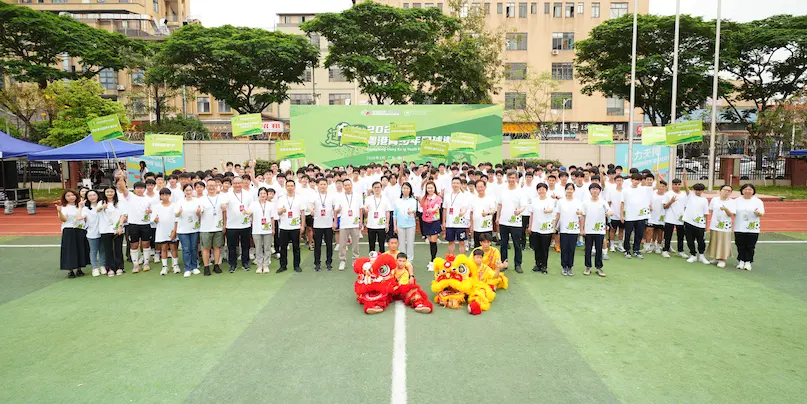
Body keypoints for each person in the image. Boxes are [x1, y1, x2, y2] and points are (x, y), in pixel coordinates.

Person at [497, 170, 528, 273]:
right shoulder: (502, 190)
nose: (511, 180)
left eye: (513, 178)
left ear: (516, 179)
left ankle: (518, 264)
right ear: (507, 178)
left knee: (517, 244)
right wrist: (498, 217)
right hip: (503, 222)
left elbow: (523, 205)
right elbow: (499, 204)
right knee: (503, 244)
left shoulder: (521, 191)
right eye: (509, 178)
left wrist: (519, 210)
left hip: (516, 223)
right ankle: (504, 263)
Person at [119, 181, 153, 273]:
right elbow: (123, 188)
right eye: (137, 188)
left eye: (141, 188)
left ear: (144, 189)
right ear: (134, 189)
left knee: (146, 244)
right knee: (134, 245)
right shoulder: (130, 196)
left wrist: (150, 211)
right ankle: (136, 265)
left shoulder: (148, 199)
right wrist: (121, 177)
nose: (139, 190)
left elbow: (152, 211)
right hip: (133, 224)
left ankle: (146, 263)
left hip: (145, 224)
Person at [57, 189, 89, 278]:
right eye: (68, 196)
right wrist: (59, 211)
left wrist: (80, 207)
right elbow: (64, 220)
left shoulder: (82, 206)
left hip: (80, 229)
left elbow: (83, 217)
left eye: (73, 195)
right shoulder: (63, 208)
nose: (71, 197)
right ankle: (70, 270)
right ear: (64, 198)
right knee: (69, 250)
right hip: (69, 230)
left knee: (80, 249)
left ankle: (79, 269)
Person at [276, 180, 307, 273]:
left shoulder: (299, 198)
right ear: (285, 187)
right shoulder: (281, 198)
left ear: (294, 187)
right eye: (288, 186)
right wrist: (282, 210)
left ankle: (296, 265)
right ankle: (283, 265)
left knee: (296, 247)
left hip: (295, 227)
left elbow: (302, 212)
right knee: (283, 247)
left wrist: (302, 225)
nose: (290, 187)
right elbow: (277, 212)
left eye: (291, 186)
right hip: (284, 227)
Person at [581, 183, 612, 277]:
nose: (594, 191)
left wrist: (609, 213)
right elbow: (583, 216)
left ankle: (599, 267)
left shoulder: (603, 202)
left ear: (599, 191)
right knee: (588, 249)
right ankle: (588, 267)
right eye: (593, 189)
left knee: (599, 249)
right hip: (588, 229)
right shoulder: (585, 203)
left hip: (599, 230)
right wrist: (582, 229)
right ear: (590, 191)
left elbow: (609, 211)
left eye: (596, 189)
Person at [224, 177, 253, 273]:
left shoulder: (248, 194)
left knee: (246, 245)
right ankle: (232, 264)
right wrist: (223, 206)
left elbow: (251, 207)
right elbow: (223, 204)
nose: (237, 185)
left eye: (239, 183)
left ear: (242, 183)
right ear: (232, 184)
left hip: (245, 224)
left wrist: (248, 212)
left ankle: (245, 263)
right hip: (231, 225)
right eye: (235, 183)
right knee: (232, 246)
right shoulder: (227, 195)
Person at [733, 183, 765, 270]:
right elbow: (732, 212)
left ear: (753, 191)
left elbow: (761, 213)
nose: (747, 191)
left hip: (753, 228)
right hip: (739, 227)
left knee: (750, 246)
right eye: (745, 189)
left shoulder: (758, 201)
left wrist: (757, 213)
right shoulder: (736, 201)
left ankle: (748, 262)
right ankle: (741, 261)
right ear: (742, 191)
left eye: (750, 189)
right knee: (740, 245)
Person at [621, 173, 652, 259]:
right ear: (631, 180)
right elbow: (622, 203)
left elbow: (655, 187)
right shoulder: (625, 190)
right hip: (629, 216)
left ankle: (636, 250)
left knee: (639, 234)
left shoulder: (643, 189)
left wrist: (656, 175)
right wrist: (621, 215)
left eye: (639, 180)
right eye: (635, 179)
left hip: (640, 216)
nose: (637, 181)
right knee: (628, 234)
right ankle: (627, 250)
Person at [246, 187, 277, 274]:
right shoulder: (254, 204)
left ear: (267, 195)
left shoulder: (271, 205)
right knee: (258, 248)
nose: (263, 195)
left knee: (267, 248)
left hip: (267, 229)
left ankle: (266, 265)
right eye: (261, 193)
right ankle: (259, 265)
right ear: (258, 195)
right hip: (256, 229)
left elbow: (272, 218)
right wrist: (245, 211)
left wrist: (273, 229)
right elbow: (249, 212)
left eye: (264, 193)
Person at [199, 180, 226, 276]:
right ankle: (206, 267)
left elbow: (224, 212)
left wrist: (224, 225)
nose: (211, 187)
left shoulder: (221, 198)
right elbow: (199, 212)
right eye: (209, 185)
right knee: (205, 248)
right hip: (205, 228)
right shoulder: (202, 199)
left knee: (217, 247)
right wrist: (198, 211)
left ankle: (216, 265)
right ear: (206, 187)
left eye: (213, 185)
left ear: (217, 186)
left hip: (218, 227)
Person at [335, 178, 363, 271]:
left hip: (355, 223)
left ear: (351, 185)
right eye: (346, 185)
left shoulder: (358, 196)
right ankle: (342, 260)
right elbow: (336, 210)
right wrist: (337, 213)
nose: (348, 186)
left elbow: (360, 209)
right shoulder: (339, 197)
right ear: (343, 186)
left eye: (349, 185)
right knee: (342, 243)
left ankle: (355, 260)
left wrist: (361, 221)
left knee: (355, 243)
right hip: (344, 223)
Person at [527, 183, 556, 274]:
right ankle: (537, 264)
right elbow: (531, 214)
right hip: (536, 227)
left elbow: (552, 210)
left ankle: (544, 265)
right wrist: (530, 226)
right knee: (537, 247)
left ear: (546, 190)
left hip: (546, 228)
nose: (541, 191)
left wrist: (548, 210)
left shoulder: (550, 200)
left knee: (544, 248)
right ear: (537, 191)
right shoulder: (534, 200)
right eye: (539, 189)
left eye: (543, 189)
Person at [555, 183, 583, 276]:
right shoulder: (561, 201)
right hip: (563, 228)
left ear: (574, 190)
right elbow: (558, 214)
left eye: (571, 189)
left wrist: (582, 228)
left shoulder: (578, 201)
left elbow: (581, 215)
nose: (569, 191)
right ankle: (564, 266)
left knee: (571, 248)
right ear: (565, 190)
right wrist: (555, 225)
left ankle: (570, 267)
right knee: (564, 248)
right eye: (568, 189)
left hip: (574, 229)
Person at [174, 184, 201, 277]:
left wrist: (198, 212)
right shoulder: (180, 202)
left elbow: (200, 213)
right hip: (182, 230)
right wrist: (179, 212)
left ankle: (194, 267)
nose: (188, 192)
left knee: (194, 248)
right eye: (186, 190)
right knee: (186, 249)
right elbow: (176, 215)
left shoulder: (197, 201)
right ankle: (187, 268)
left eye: (190, 190)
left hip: (194, 228)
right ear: (183, 191)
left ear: (192, 190)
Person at [151, 188, 179, 276]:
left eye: (166, 195)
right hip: (161, 231)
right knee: (164, 248)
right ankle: (164, 266)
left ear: (169, 195)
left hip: (172, 230)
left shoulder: (175, 205)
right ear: (160, 196)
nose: (164, 196)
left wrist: (174, 231)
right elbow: (152, 219)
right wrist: (155, 220)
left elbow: (176, 219)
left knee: (173, 248)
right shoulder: (156, 206)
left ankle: (175, 265)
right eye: (162, 195)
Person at [707, 184, 736, 268]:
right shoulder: (714, 200)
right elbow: (712, 211)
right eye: (724, 190)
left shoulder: (732, 202)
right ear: (720, 191)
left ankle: (723, 259)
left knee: (723, 242)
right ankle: (716, 257)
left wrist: (726, 209)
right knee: (715, 241)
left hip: (725, 226)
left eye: (729, 191)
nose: (726, 192)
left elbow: (731, 214)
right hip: (715, 225)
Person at [682, 180, 711, 264]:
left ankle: (701, 255)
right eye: (696, 190)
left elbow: (706, 213)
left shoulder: (704, 200)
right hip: (688, 222)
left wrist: (706, 225)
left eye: (700, 190)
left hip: (700, 224)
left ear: (702, 191)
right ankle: (693, 255)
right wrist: (684, 177)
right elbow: (686, 187)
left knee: (701, 240)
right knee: (690, 239)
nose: (698, 192)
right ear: (694, 190)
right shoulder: (690, 196)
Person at [97, 187, 124, 277]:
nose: (109, 193)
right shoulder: (101, 203)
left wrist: (120, 226)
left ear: (114, 192)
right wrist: (102, 207)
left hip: (117, 229)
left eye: (111, 191)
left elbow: (122, 215)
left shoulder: (119, 203)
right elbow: (97, 210)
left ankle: (119, 267)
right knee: (108, 250)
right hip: (105, 230)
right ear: (104, 193)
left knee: (118, 249)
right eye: (107, 191)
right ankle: (110, 268)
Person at [312, 178, 337, 271]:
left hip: (328, 224)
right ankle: (317, 263)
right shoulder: (314, 196)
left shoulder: (331, 196)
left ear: (327, 185)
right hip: (318, 225)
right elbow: (310, 205)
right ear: (317, 185)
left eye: (324, 184)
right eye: (321, 184)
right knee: (317, 245)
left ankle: (329, 262)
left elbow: (335, 209)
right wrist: (311, 209)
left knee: (329, 244)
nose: (322, 186)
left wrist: (334, 222)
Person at [661, 178, 689, 259]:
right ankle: (665, 250)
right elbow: (664, 206)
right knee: (668, 235)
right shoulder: (668, 194)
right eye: (675, 184)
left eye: (679, 184)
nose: (677, 186)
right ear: (672, 185)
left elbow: (686, 206)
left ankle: (681, 251)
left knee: (680, 236)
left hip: (680, 219)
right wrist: (671, 202)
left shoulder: (684, 194)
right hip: (670, 218)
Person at [443, 177, 470, 256]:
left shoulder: (464, 196)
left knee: (461, 242)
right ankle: (451, 258)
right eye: (454, 183)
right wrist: (444, 222)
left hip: (460, 223)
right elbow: (445, 209)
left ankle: (462, 259)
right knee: (450, 241)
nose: (455, 185)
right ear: (451, 184)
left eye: (457, 183)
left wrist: (463, 212)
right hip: (449, 223)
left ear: (461, 185)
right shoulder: (447, 195)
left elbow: (465, 207)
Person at [420, 181, 443, 270]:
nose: (430, 189)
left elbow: (436, 207)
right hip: (425, 221)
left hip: (434, 221)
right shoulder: (424, 198)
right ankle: (432, 260)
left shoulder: (437, 198)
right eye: (428, 188)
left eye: (431, 188)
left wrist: (432, 209)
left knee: (433, 242)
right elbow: (422, 205)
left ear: (434, 189)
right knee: (430, 242)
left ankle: (433, 261)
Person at [365, 181, 392, 254]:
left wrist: (387, 224)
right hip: (371, 225)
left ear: (381, 188)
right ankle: (372, 261)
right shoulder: (368, 199)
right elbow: (365, 210)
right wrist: (366, 211)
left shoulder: (385, 199)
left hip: (381, 225)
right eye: (375, 187)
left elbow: (387, 212)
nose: (376, 189)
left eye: (378, 187)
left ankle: (382, 261)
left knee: (382, 245)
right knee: (371, 245)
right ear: (372, 189)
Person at [394, 182, 418, 262]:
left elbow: (414, 209)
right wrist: (395, 226)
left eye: (407, 188)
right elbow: (395, 214)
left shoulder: (413, 200)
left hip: (410, 224)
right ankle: (401, 260)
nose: (405, 190)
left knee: (410, 243)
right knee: (401, 244)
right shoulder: (398, 200)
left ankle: (410, 261)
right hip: (400, 225)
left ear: (410, 190)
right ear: (401, 189)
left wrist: (411, 211)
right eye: (404, 188)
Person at [82, 190, 104, 277]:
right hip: (92, 232)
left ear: (97, 196)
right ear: (87, 198)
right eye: (90, 195)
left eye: (94, 195)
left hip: (103, 231)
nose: (92, 197)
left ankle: (102, 266)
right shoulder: (85, 209)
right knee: (93, 251)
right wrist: (80, 206)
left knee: (102, 250)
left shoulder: (102, 205)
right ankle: (95, 268)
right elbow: (80, 217)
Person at [470, 179, 497, 249]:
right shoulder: (473, 199)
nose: (480, 189)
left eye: (481, 187)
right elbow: (471, 213)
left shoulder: (490, 198)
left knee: (488, 248)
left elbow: (493, 210)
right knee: (477, 248)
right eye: (478, 187)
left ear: (485, 187)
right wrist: (471, 225)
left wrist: (487, 213)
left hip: (487, 228)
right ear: (475, 188)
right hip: (477, 228)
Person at [645, 180, 668, 254]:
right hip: (652, 216)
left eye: (663, 186)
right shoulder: (653, 193)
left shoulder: (666, 195)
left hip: (662, 217)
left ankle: (657, 247)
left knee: (659, 232)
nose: (661, 187)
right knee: (649, 230)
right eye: (660, 186)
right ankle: (648, 246)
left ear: (665, 188)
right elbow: (647, 202)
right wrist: (649, 207)